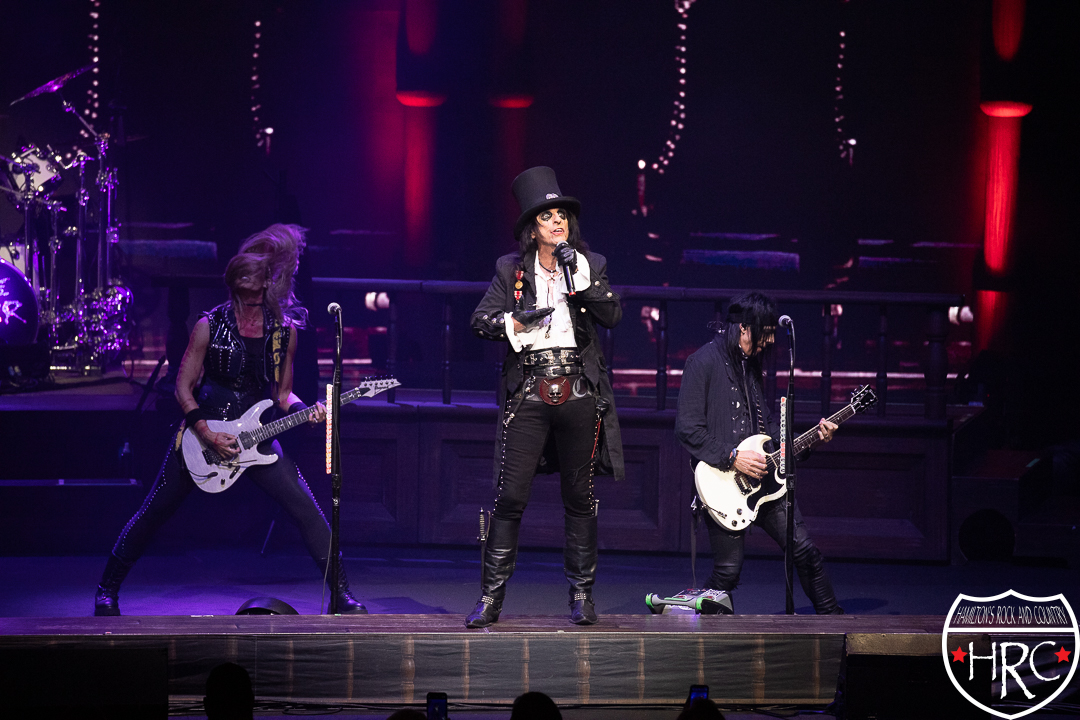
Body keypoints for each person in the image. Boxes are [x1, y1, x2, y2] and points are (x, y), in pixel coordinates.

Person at [93, 224, 366, 616]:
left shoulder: (283, 332)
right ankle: (107, 589)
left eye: (254, 280)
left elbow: (283, 394)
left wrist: (306, 411)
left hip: (256, 437)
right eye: (242, 280)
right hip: (201, 435)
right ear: (234, 282)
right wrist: (205, 432)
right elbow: (183, 387)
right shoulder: (209, 325)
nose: (248, 287)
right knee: (154, 510)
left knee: (307, 509)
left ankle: (341, 594)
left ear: (266, 283)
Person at [467, 166, 624, 628]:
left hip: (578, 390)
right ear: (531, 229)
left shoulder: (589, 264)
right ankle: (490, 599)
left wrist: (582, 280)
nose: (557, 222)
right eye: (547, 217)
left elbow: (612, 315)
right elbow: (480, 321)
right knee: (510, 496)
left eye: (562, 216)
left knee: (579, 497)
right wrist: (516, 322)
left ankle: (582, 596)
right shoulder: (511, 269)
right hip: (529, 391)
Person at [674, 291, 842, 614]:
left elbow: (768, 431)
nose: (769, 342)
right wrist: (733, 457)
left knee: (805, 550)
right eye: (764, 334)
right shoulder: (702, 362)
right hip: (724, 484)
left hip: (765, 482)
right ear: (743, 328)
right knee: (728, 572)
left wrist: (811, 441)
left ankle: (836, 622)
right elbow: (687, 428)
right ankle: (689, 621)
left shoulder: (751, 367)